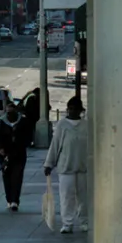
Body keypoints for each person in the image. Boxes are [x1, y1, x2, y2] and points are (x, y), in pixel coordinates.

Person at [44, 95, 89, 233]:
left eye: (75, 109)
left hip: (83, 167)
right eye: (70, 109)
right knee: (66, 196)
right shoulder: (62, 125)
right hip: (66, 167)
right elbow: (55, 145)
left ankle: (84, 221)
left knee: (84, 197)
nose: (72, 111)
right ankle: (67, 223)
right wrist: (49, 164)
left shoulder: (86, 125)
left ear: (80, 110)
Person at [0, 101, 32, 212]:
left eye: (12, 113)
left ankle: (15, 201)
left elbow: (28, 137)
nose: (10, 116)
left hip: (19, 154)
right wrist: (0, 148)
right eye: (8, 113)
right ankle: (9, 199)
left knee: (17, 177)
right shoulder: (1, 123)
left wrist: (22, 145)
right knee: (7, 177)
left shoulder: (23, 122)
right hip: (5, 155)